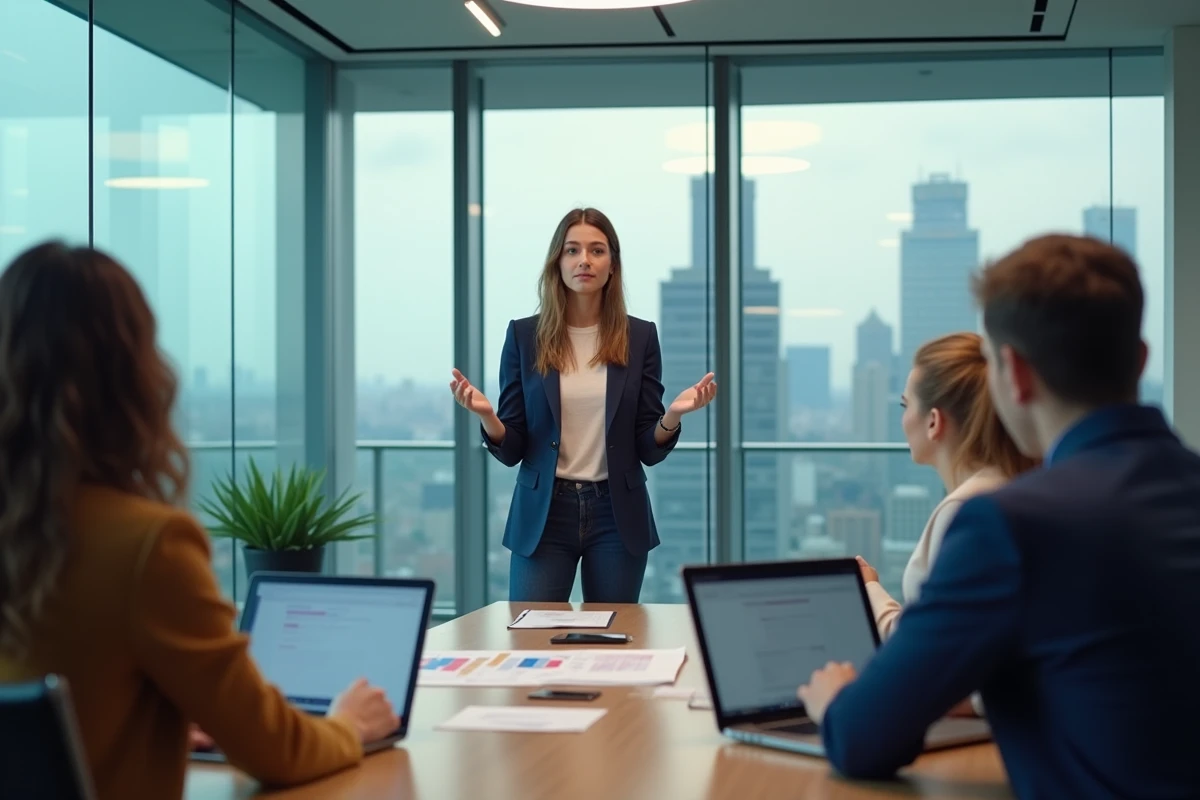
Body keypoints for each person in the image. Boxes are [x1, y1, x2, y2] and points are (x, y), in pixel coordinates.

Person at [797, 234, 1200, 798]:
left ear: (1013, 372)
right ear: (1140, 358)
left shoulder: (1010, 526)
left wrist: (836, 700)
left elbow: (863, 738)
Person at [0, 242, 399, 799]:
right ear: (133, 374)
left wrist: (154, 711)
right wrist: (348, 724)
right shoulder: (147, 546)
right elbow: (273, 749)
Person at [450, 208, 715, 602]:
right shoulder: (525, 336)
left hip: (616, 513)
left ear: (612, 265)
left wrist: (671, 417)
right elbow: (513, 449)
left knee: (612, 645)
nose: (584, 261)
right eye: (572, 250)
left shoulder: (640, 336)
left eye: (597, 250)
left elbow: (647, 447)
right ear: (558, 262)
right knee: (532, 641)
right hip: (544, 513)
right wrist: (489, 418)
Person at [857, 332, 1037, 639]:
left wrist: (869, 588)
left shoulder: (964, 511)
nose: (902, 419)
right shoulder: (1020, 487)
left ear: (933, 421)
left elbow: (925, 645)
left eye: (905, 405)